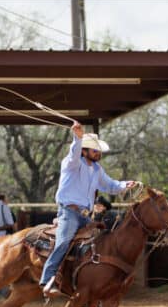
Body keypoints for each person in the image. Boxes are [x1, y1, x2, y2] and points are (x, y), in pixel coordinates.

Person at [40, 122, 136, 296]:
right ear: (84, 151)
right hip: (69, 212)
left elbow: (110, 185)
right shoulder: (72, 163)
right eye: (94, 150)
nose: (98, 153)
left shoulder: (97, 170)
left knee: (100, 243)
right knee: (64, 241)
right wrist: (77, 138)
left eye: (98, 150)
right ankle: (47, 279)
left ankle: (91, 282)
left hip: (85, 216)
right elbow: (73, 154)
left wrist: (125, 185)